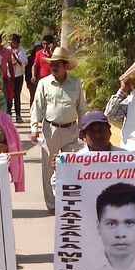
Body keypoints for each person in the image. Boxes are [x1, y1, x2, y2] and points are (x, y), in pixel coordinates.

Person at [72, 112, 129, 270]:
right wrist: (61, 173)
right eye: (91, 130)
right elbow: (58, 190)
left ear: (109, 131)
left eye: (101, 129)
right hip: (88, 238)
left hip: (123, 237)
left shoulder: (128, 159)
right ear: (83, 135)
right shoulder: (72, 162)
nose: (97, 134)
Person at [30, 47, 87, 214]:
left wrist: (83, 127)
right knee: (49, 168)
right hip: (51, 130)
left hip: (71, 130)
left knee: (70, 167)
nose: (54, 67)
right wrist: (34, 128)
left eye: (57, 64)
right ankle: (53, 205)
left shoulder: (76, 83)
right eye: (52, 64)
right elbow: (37, 107)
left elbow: (82, 108)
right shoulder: (44, 83)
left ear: (65, 66)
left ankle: (68, 202)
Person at [8, 34, 27, 123]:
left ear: (15, 42)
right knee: (9, 96)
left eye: (11, 40)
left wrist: (17, 55)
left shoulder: (21, 50)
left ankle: (18, 115)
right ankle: (8, 114)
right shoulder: (7, 49)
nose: (9, 42)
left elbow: (24, 62)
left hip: (18, 76)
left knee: (17, 96)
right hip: (9, 76)